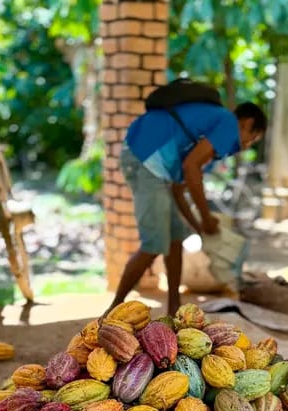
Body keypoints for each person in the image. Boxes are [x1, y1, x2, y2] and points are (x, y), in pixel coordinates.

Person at [104, 99, 267, 318]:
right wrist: (207, 217)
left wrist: (199, 227)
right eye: (252, 138)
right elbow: (191, 169)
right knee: (154, 244)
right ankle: (112, 310)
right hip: (145, 160)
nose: (247, 145)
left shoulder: (208, 144)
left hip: (156, 168)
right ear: (247, 123)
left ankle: (174, 309)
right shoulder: (227, 123)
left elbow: (179, 191)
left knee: (175, 238)